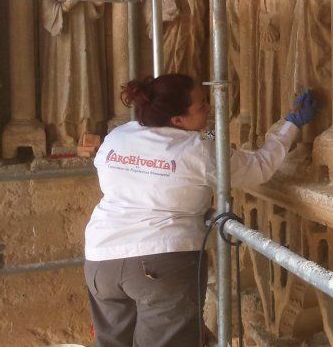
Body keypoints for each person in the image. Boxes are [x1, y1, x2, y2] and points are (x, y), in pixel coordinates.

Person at [83, 73, 316, 346]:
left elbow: (203, 136)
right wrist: (290, 125)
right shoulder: (198, 151)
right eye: (201, 105)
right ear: (178, 120)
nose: (209, 107)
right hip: (160, 263)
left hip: (101, 260)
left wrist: (208, 131)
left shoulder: (118, 136)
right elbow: (258, 167)